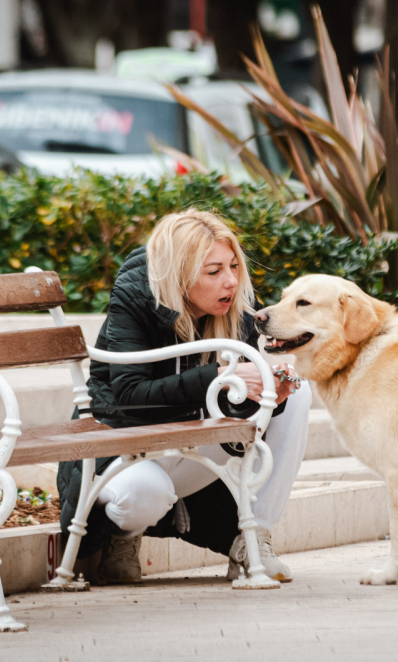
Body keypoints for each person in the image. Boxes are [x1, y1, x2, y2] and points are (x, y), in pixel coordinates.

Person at [56, 209, 311, 585]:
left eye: (234, 265)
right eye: (214, 271)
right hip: (120, 442)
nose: (230, 280)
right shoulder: (135, 295)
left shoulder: (233, 301)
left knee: (295, 398)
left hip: (189, 441)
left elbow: (229, 406)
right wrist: (218, 376)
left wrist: (268, 393)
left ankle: (253, 539)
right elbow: (128, 395)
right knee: (145, 492)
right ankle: (123, 539)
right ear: (180, 274)